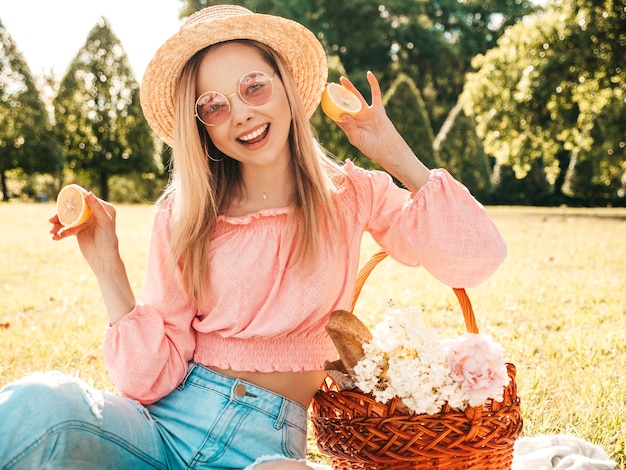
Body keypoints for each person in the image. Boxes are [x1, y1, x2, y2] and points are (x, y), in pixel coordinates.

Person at [0, 5, 507, 470]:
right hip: (159, 434)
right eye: (214, 105)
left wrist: (395, 154)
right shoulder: (184, 215)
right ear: (202, 127)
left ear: (286, 85)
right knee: (40, 403)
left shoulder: (352, 194)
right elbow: (145, 380)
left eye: (254, 87)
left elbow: (476, 259)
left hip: (265, 452)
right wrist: (106, 262)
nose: (240, 112)